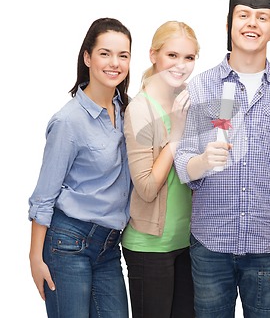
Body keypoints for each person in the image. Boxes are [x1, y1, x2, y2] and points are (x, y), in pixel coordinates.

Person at [174, 0, 270, 318]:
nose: (252, 23)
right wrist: (203, 161)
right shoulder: (203, 87)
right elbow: (183, 162)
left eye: (262, 17)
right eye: (244, 15)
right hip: (210, 243)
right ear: (229, 24)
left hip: (267, 245)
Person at [28, 18, 133, 318]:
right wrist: (36, 256)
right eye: (105, 53)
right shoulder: (68, 122)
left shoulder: (129, 111)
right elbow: (44, 196)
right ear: (87, 57)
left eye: (123, 55)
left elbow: (164, 92)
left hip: (109, 247)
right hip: (67, 243)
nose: (114, 63)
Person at [121, 21, 199, 318]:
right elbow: (147, 187)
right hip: (150, 248)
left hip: (187, 243)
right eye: (172, 56)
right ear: (153, 55)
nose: (181, 66)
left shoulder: (189, 99)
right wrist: (176, 136)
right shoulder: (140, 109)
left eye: (189, 58)